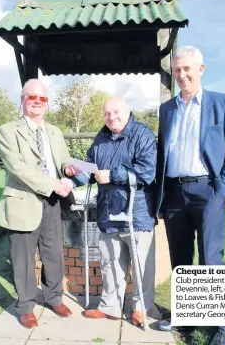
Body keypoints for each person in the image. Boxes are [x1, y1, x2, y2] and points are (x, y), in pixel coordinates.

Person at [156, 46, 225, 344]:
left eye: (187, 69)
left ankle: (224, 325)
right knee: (180, 260)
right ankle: (187, 318)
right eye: (177, 70)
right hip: (173, 192)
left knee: (211, 258)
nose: (182, 75)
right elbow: (162, 152)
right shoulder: (167, 109)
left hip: (208, 190)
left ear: (201, 69)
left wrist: (220, 188)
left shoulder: (222, 103)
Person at [66, 96, 157, 326]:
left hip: (136, 214)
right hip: (108, 212)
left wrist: (112, 175)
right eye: (107, 114)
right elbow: (90, 167)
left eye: (116, 112)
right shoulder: (101, 138)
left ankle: (140, 309)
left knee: (141, 267)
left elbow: (147, 172)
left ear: (127, 111)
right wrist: (74, 172)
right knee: (110, 264)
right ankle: (111, 307)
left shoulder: (142, 134)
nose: (111, 117)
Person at [0, 79, 77, 328]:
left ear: (47, 103)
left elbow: (62, 159)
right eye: (32, 97)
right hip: (22, 202)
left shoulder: (54, 131)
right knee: (23, 259)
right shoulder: (7, 131)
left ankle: (54, 298)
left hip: (52, 202)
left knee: (54, 255)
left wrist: (68, 168)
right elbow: (19, 168)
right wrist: (53, 183)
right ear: (22, 100)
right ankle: (26, 306)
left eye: (42, 99)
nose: (38, 102)